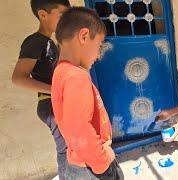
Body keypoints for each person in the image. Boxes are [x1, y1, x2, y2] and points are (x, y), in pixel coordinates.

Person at [51, 7, 123, 180]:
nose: (98, 55)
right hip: (91, 168)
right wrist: (103, 164)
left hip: (80, 162)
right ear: (83, 36)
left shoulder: (61, 72)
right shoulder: (76, 76)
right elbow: (79, 130)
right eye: (99, 45)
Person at [11, 0, 70, 179]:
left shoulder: (49, 42)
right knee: (65, 150)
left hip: (56, 103)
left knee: (70, 148)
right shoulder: (35, 41)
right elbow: (18, 78)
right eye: (62, 16)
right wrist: (56, 91)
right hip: (50, 105)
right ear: (43, 15)